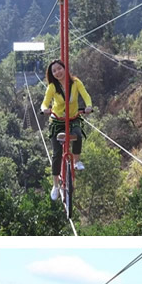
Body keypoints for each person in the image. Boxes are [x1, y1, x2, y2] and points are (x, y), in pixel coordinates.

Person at [41, 59, 92, 201]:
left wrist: (88, 106)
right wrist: (45, 109)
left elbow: (86, 95)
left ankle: (76, 162)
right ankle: (56, 185)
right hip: (57, 121)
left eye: (59, 69)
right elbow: (45, 102)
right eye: (54, 71)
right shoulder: (52, 86)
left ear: (65, 68)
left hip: (73, 118)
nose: (57, 72)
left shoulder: (76, 83)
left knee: (77, 134)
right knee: (57, 153)